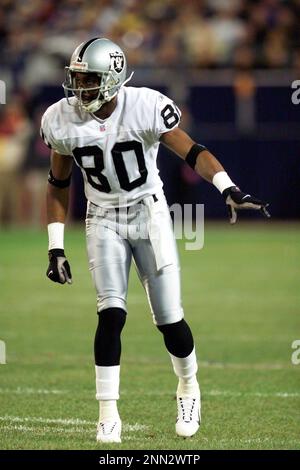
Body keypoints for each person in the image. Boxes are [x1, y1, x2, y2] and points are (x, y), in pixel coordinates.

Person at [41, 37, 270, 444]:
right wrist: (55, 246)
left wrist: (227, 187)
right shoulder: (61, 118)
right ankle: (108, 413)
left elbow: (193, 151)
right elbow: (59, 182)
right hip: (103, 217)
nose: (80, 88)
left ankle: (188, 386)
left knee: (169, 319)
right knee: (110, 314)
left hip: (149, 212)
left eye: (88, 79)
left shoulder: (145, 105)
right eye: (76, 78)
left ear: (111, 80)